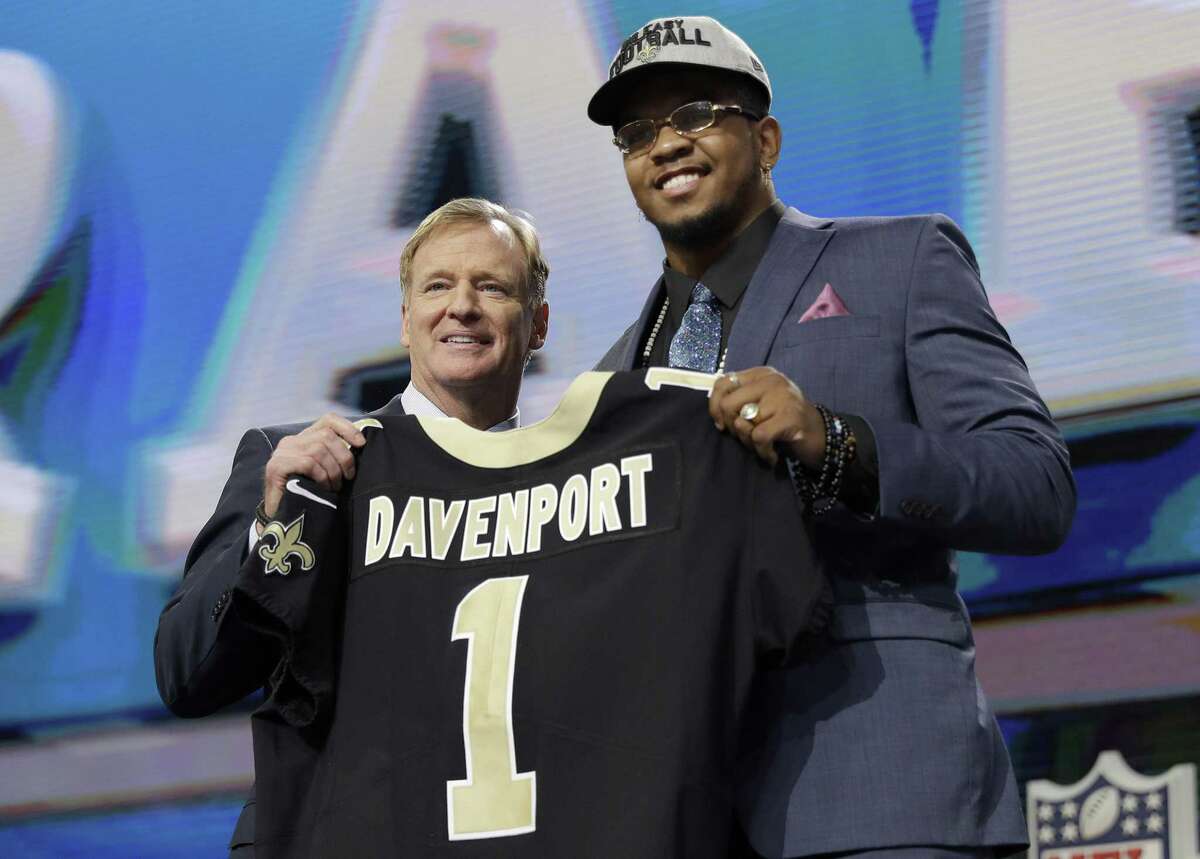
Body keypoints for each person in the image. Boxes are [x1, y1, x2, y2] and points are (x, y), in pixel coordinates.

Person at [587, 16, 1076, 859]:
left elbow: (1035, 486)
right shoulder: (608, 381)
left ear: (765, 139)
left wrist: (834, 441)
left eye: (697, 112)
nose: (666, 143)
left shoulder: (904, 260)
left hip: (879, 787)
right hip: (681, 814)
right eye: (639, 131)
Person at [153, 197, 550, 856]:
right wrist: (272, 521)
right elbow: (186, 675)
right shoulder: (298, 466)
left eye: (492, 286)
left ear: (537, 324)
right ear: (405, 320)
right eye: (438, 286)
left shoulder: (571, 490)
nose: (462, 306)